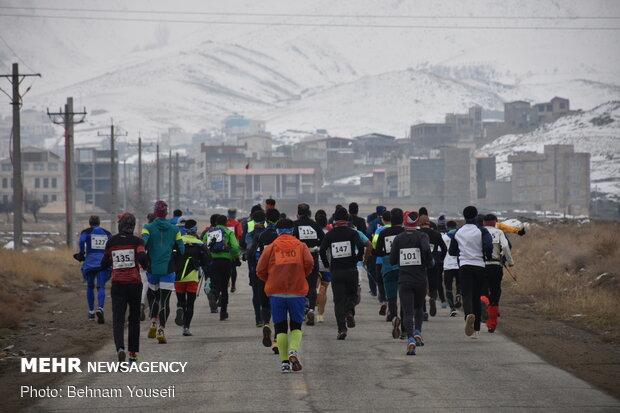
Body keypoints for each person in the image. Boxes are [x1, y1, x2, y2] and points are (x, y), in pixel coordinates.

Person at [257, 219, 314, 373]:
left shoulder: (271, 247)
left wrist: (270, 279)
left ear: (277, 231)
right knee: (296, 326)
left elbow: (260, 269)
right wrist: (302, 275)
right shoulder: (301, 246)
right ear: (293, 230)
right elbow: (309, 263)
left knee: (280, 328)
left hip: (276, 292)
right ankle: (293, 351)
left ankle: (284, 363)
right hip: (297, 291)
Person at [101, 213, 148, 363]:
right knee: (134, 319)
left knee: (118, 318)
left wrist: (111, 263)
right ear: (133, 226)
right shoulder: (138, 241)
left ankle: (120, 348)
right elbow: (141, 256)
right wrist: (147, 266)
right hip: (134, 283)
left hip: (118, 284)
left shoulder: (112, 242)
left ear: (120, 224)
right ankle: (133, 354)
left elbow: (104, 263)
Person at [142, 200, 185, 344]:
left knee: (154, 297)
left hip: (152, 268)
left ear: (155, 212)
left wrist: (146, 261)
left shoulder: (147, 227)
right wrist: (175, 261)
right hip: (168, 268)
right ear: (166, 213)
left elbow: (144, 244)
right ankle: (161, 329)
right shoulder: (175, 229)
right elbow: (181, 249)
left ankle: (153, 322)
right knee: (165, 300)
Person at [390, 211, 433, 355]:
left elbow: (392, 260)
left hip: (405, 279)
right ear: (417, 223)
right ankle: (418, 332)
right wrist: (428, 261)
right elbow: (426, 249)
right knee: (419, 307)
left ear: (404, 222)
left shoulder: (398, 238)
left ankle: (410, 340)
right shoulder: (422, 236)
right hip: (420, 278)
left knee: (407, 311)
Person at [320, 207, 365, 340]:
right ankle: (350, 311)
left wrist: (327, 265)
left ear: (334, 220)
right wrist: (358, 258)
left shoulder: (330, 234)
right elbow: (361, 246)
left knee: (338, 301)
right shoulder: (352, 233)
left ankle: (341, 329)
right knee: (352, 295)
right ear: (347, 219)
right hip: (351, 269)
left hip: (336, 271)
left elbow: (322, 250)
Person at [448, 206, 493, 339]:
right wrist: (487, 256)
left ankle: (468, 315)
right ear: (476, 215)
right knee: (477, 296)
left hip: (464, 265)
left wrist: (461, 253)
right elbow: (489, 245)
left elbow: (451, 251)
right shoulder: (482, 230)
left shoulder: (458, 231)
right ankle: (477, 330)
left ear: (464, 216)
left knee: (467, 294)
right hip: (479, 265)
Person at [248, 208, 280, 352]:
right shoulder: (282, 237)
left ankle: (265, 322)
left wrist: (253, 271)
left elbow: (250, 253)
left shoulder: (260, 236)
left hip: (263, 274)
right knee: (279, 305)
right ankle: (277, 339)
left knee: (264, 302)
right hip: (280, 274)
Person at [174, 219, 211, 336]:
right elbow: (208, 258)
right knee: (190, 304)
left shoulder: (179, 241)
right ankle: (186, 327)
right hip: (193, 277)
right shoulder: (198, 243)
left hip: (178, 276)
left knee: (181, 300)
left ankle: (180, 307)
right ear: (195, 230)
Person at [74, 215, 112, 323]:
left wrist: (81, 254)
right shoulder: (107, 233)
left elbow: (81, 241)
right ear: (99, 223)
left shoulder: (86, 232)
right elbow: (112, 243)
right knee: (101, 287)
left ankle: (91, 312)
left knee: (90, 286)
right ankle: (100, 309)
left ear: (89, 222)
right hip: (103, 263)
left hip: (90, 263)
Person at [203, 214, 240, 321]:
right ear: (226, 223)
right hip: (226, 262)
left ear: (216, 223)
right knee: (224, 288)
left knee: (215, 283)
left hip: (213, 262)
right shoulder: (228, 232)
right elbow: (235, 246)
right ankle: (223, 312)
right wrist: (235, 257)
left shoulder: (210, 232)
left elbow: (204, 245)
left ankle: (213, 293)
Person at [293, 203, 325, 326]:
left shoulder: (295, 225)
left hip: (298, 259)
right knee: (312, 286)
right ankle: (311, 309)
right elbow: (324, 240)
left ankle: (303, 310)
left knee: (299, 286)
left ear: (298, 213)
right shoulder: (315, 225)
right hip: (312, 257)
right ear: (309, 212)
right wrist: (315, 247)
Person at [375, 208, 405, 336]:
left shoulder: (384, 232)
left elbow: (377, 252)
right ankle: (404, 324)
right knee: (404, 297)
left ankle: (393, 318)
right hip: (404, 267)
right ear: (402, 219)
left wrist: (387, 253)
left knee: (391, 298)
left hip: (388, 267)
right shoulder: (405, 232)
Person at [482, 214, 514, 333]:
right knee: (495, 293)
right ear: (495, 222)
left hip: (481, 265)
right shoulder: (499, 233)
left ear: (484, 222)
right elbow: (505, 246)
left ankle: (483, 303)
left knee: (482, 290)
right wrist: (510, 262)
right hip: (495, 266)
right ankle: (492, 324)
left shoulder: (479, 232)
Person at [419, 215, 447, 317]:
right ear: (429, 223)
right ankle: (433, 298)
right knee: (434, 283)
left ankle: (424, 311)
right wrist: (440, 259)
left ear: (419, 223)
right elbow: (444, 248)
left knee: (422, 286)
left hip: (421, 262)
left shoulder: (418, 234)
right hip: (434, 261)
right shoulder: (436, 234)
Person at [245, 210, 267, 327]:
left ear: (254, 221)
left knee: (256, 293)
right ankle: (266, 316)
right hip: (268, 269)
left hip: (254, 268)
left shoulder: (250, 235)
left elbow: (249, 250)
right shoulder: (268, 234)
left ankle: (258, 318)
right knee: (267, 292)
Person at [371, 210, 391, 316]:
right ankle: (391, 306)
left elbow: (374, 243)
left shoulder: (379, 230)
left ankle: (383, 301)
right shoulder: (397, 230)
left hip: (380, 260)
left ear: (382, 220)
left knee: (381, 282)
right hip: (394, 260)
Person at [314, 211, 331, 323]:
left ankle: (312, 303)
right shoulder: (330, 234)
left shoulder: (313, 233)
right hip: (326, 266)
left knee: (313, 287)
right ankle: (320, 314)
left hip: (315, 265)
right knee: (323, 291)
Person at [139, 213, 156, 321]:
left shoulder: (142, 234)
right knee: (154, 287)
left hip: (142, 263)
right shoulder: (156, 234)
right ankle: (152, 310)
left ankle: (141, 303)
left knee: (144, 285)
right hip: (153, 263)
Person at [442, 221, 461, 316]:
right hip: (459, 264)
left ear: (447, 227)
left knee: (448, 287)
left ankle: (452, 308)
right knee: (459, 284)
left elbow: (440, 252)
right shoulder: (460, 236)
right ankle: (458, 294)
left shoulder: (444, 238)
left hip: (447, 265)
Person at [226, 208, 243, 293]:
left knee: (226, 268)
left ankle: (226, 283)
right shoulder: (237, 224)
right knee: (233, 268)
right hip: (233, 248)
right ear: (235, 214)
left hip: (224, 248)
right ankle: (233, 286)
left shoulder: (225, 223)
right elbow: (240, 235)